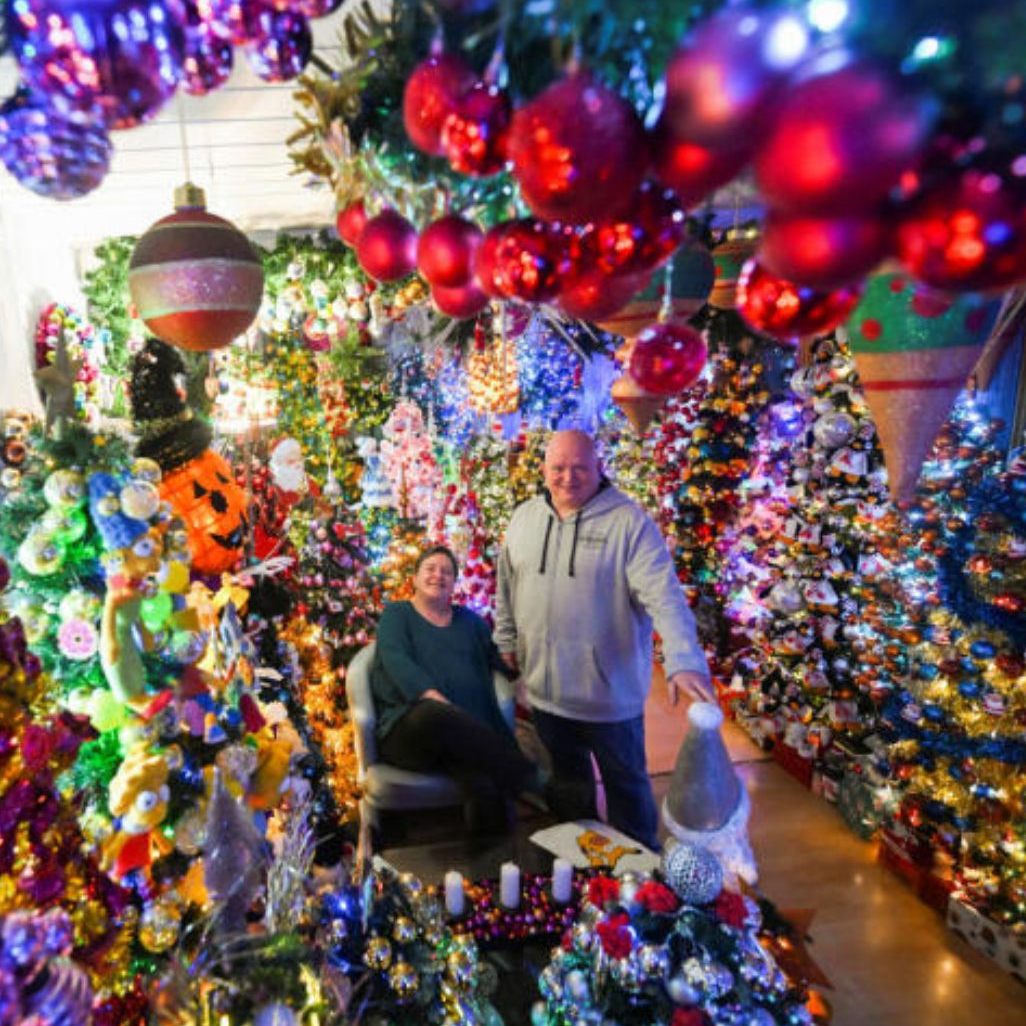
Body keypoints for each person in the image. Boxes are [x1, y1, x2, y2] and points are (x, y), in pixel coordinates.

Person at [494, 429, 713, 850]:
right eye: (558, 468)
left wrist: (683, 658)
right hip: (546, 695)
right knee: (570, 796)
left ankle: (641, 877)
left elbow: (664, 597)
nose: (568, 477)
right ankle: (582, 870)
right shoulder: (524, 519)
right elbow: (506, 586)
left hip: (609, 700)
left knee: (627, 795)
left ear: (599, 467)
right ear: (544, 469)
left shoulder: (629, 523)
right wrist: (505, 639)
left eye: (579, 467)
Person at [370, 545, 543, 835]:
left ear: (454, 583)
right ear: (415, 578)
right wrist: (434, 699)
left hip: (463, 738)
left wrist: (524, 672)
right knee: (433, 714)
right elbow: (395, 659)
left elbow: (500, 659)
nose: (438, 575)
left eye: (447, 572)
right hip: (409, 733)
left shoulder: (471, 622)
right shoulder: (397, 615)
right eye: (430, 569)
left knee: (483, 780)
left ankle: (491, 858)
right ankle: (530, 778)